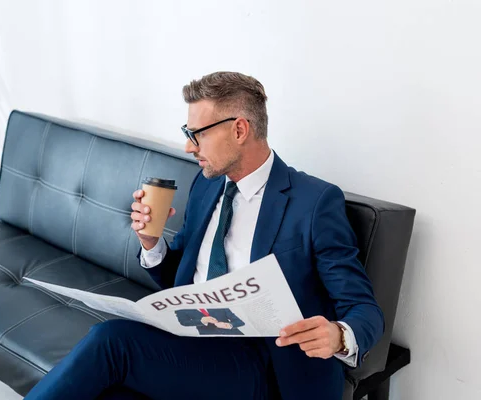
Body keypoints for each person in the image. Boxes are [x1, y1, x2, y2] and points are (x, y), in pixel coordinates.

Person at [24, 72, 384, 400]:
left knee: (111, 342)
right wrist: (151, 243)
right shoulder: (206, 187)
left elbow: (363, 307)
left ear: (239, 130)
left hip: (266, 367)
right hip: (195, 344)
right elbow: (181, 278)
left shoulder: (313, 202)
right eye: (187, 134)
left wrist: (339, 334)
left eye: (197, 134)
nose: (188, 147)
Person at [175, 308, 245, 335]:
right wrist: (201, 321)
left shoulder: (218, 303)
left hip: (235, 335)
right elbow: (183, 322)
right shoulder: (181, 309)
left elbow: (240, 322)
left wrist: (229, 325)